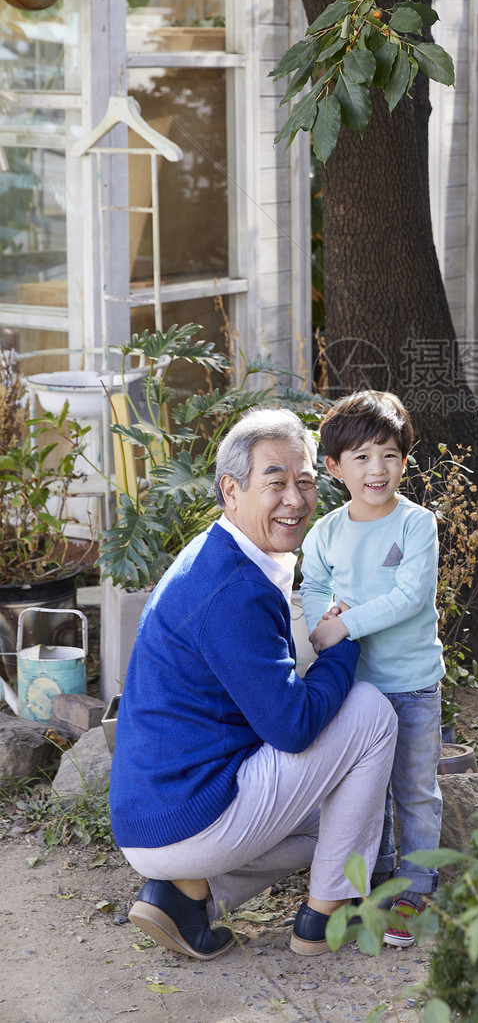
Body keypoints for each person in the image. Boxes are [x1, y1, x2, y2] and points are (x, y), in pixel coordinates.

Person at [109, 407, 397, 961]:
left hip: (153, 812)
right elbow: (291, 727)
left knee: (344, 817)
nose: (295, 498)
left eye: (306, 481)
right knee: (368, 710)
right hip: (186, 815)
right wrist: (346, 641)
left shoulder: (216, 555)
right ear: (231, 490)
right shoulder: (234, 590)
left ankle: (187, 898)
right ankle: (325, 917)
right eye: (276, 483)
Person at [299, 390, 444, 949]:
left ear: (404, 461)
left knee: (414, 788)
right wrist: (321, 624)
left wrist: (346, 623)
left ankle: (416, 884)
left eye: (387, 454)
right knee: (366, 791)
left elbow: (411, 596)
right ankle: (374, 879)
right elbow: (313, 584)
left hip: (410, 684)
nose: (376, 468)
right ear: (335, 468)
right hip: (359, 690)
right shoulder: (328, 531)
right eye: (360, 457)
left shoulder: (416, 525)